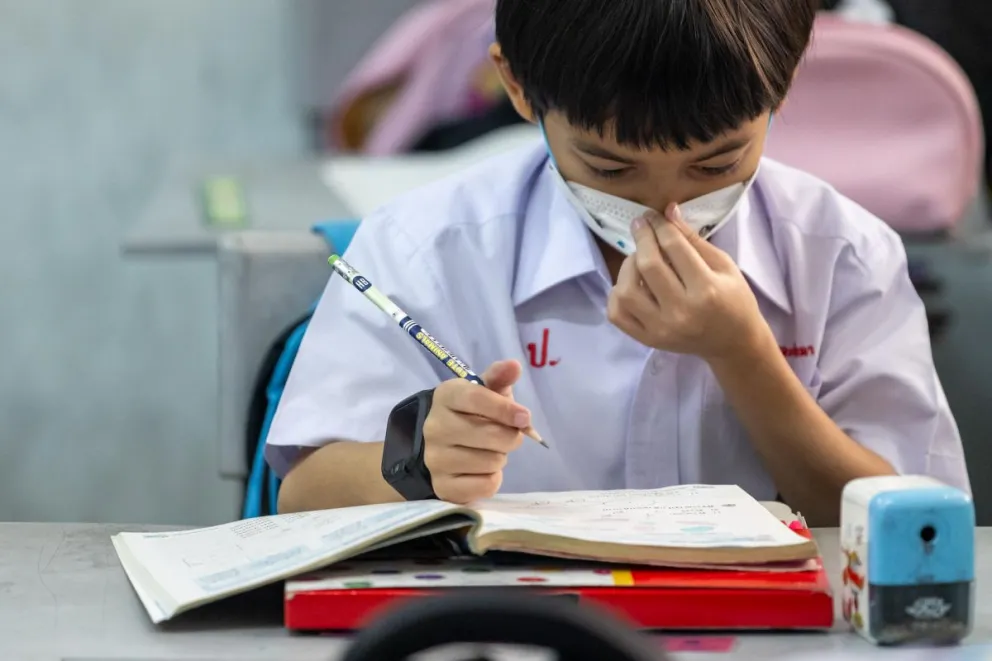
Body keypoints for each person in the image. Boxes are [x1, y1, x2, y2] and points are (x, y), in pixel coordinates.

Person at [266, 0, 970, 525]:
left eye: (716, 163)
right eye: (609, 167)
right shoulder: (425, 246)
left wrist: (747, 357)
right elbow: (301, 492)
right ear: (516, 86)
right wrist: (419, 459)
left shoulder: (842, 254)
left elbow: (915, 524)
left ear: (781, 87)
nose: (663, 210)